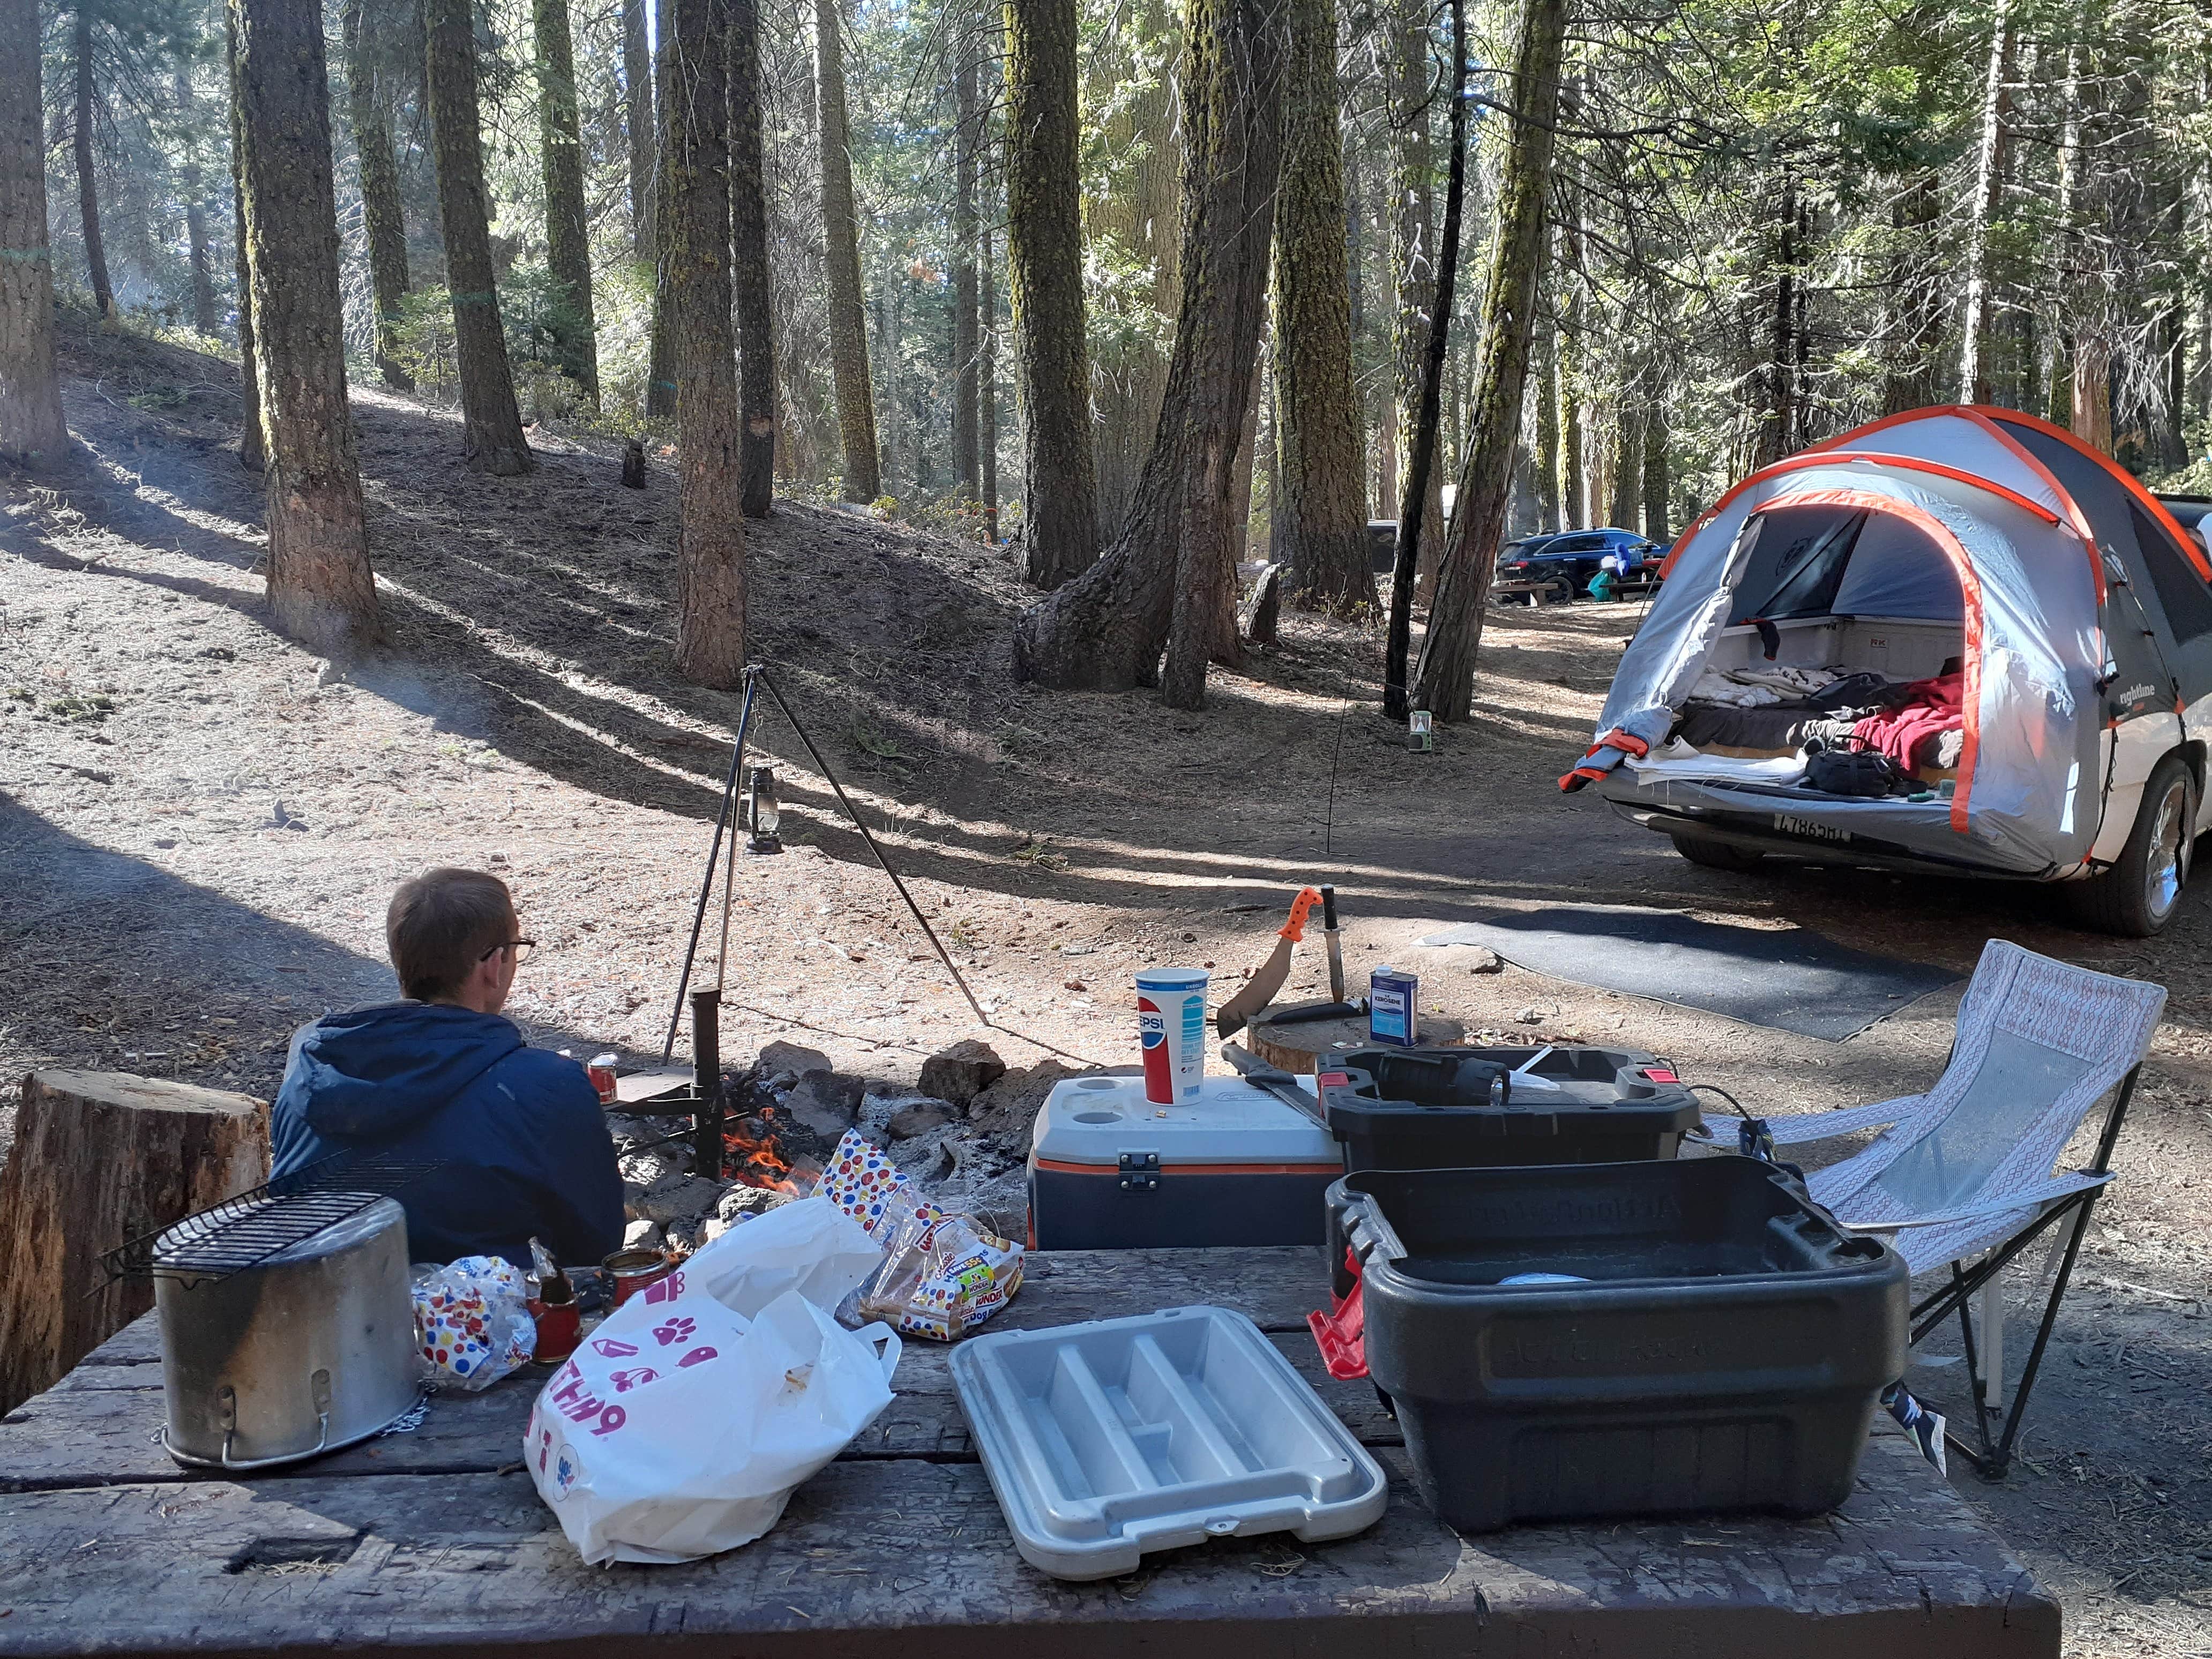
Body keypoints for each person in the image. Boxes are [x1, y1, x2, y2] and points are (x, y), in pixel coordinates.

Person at [271, 868, 625, 1269]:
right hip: (484, 1320)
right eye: (515, 948)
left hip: (317, 1306)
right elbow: (595, 1245)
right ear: (493, 964)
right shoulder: (545, 1085)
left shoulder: (311, 1060)